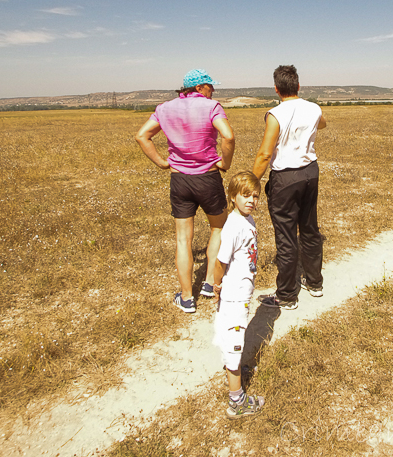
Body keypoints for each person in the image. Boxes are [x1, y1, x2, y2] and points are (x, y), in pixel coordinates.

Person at [135, 69, 235, 313]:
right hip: (208, 177)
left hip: (179, 179)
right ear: (199, 87)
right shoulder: (212, 107)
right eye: (210, 86)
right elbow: (228, 136)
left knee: (183, 239)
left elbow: (142, 136)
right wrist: (225, 163)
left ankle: (187, 297)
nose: (213, 90)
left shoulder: (164, 108)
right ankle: (210, 283)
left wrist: (161, 163)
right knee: (218, 228)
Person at [252, 65, 328, 310]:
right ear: (298, 86)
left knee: (286, 235)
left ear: (276, 89)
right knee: (309, 227)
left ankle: (286, 295)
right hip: (310, 173)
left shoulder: (275, 114)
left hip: (285, 177)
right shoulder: (314, 108)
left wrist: (252, 182)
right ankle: (315, 283)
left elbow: (265, 153)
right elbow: (322, 124)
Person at [211, 171, 265, 418]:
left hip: (241, 294)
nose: (251, 200)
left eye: (255, 196)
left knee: (234, 338)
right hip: (234, 296)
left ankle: (234, 371)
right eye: (245, 195)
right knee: (234, 344)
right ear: (233, 197)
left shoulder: (247, 219)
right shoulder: (233, 226)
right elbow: (220, 261)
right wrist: (217, 284)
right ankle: (237, 402)